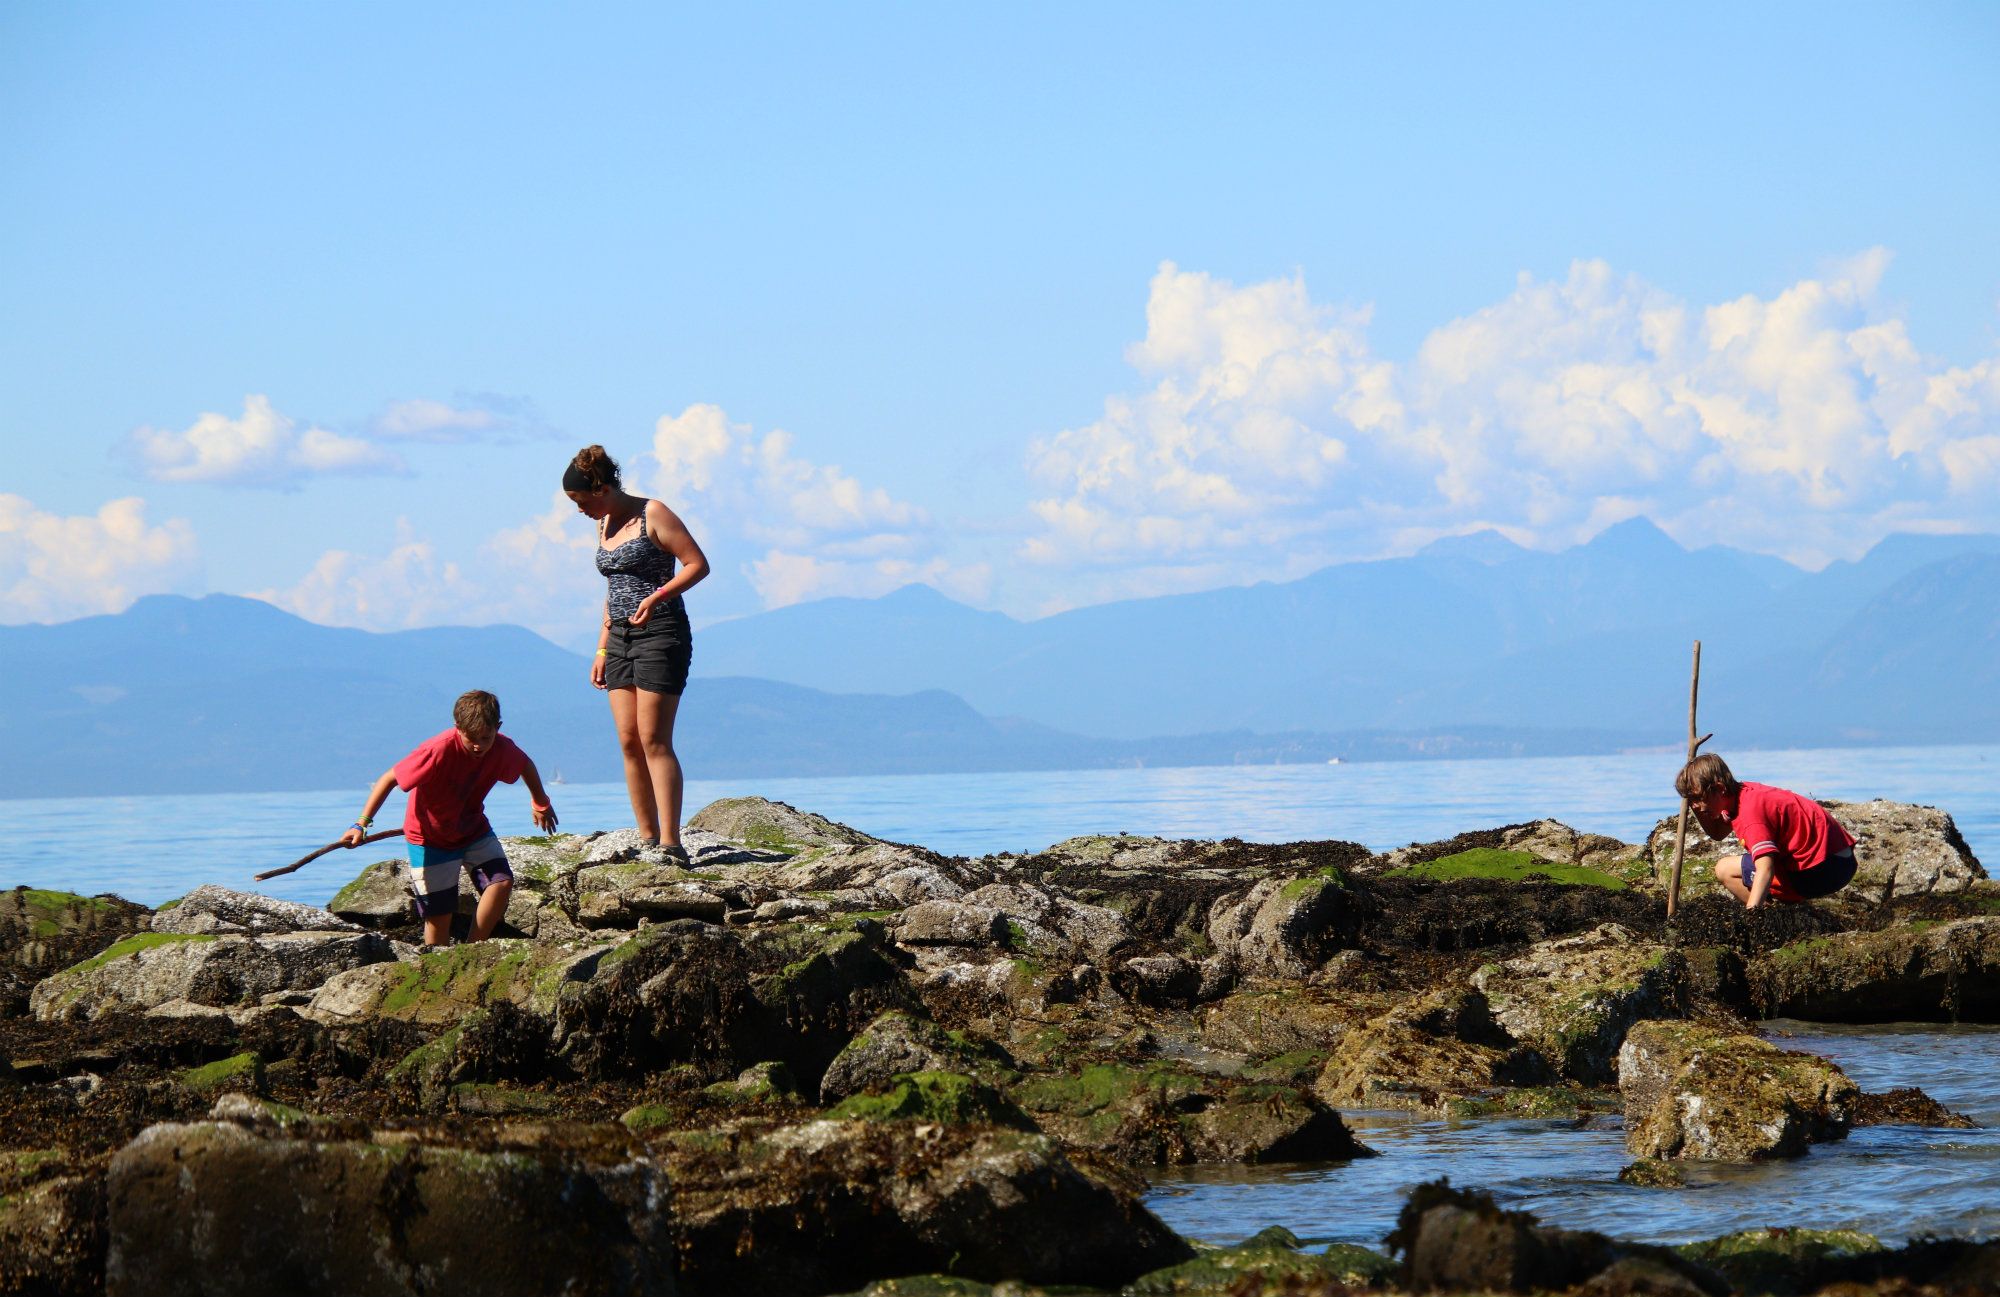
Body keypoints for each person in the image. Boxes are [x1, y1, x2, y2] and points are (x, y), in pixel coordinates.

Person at [563, 444, 710, 858]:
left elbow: (697, 564)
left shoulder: (654, 513)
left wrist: (657, 598)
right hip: (619, 640)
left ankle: (671, 842)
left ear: (602, 488)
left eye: (581, 501)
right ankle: (646, 837)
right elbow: (612, 592)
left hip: (661, 633)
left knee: (654, 740)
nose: (579, 511)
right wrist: (600, 648)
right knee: (628, 741)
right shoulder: (604, 524)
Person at [340, 690, 558, 946]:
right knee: (439, 915)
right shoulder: (437, 750)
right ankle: (435, 967)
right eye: (471, 739)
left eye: (485, 738)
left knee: (501, 882)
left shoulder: (502, 747)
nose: (478, 745)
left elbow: (525, 765)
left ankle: (473, 948)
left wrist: (541, 802)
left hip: (473, 830)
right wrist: (361, 824)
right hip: (430, 839)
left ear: (497, 728)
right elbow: (389, 779)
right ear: (457, 728)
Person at [1677, 753, 1857, 908]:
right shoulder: (1740, 794)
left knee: (1725, 870)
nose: (1695, 805)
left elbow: (1766, 869)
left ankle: (1766, 915)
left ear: (1720, 789)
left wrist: (1752, 917)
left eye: (1698, 798)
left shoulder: (1750, 815)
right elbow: (1717, 833)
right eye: (1690, 800)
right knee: (1730, 867)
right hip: (1838, 860)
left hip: (1822, 871)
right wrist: (1695, 804)